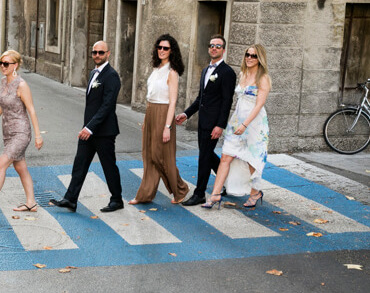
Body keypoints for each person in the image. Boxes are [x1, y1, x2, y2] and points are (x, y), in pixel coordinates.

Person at [50, 41, 124, 213]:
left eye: (100, 52)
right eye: (94, 52)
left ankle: (117, 199)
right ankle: (70, 199)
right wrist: (87, 127)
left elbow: (107, 106)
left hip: (104, 132)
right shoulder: (93, 73)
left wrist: (90, 127)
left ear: (108, 54)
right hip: (88, 130)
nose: (97, 55)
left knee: (109, 166)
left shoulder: (111, 76)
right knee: (80, 164)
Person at [0, 50, 43, 213]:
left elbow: (31, 110)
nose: (2, 66)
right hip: (7, 132)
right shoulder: (3, 81)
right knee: (21, 167)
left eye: (6, 64)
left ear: (15, 65)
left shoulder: (22, 85)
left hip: (21, 132)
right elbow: (2, 104)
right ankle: (31, 202)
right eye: (1, 63)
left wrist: (38, 135)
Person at [203, 44, 271, 209]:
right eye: (247, 54)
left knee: (251, 159)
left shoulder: (264, 78)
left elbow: (259, 104)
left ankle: (255, 192)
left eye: (253, 56)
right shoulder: (243, 73)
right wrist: (236, 123)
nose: (249, 58)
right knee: (226, 156)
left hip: (254, 123)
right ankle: (215, 195)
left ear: (259, 58)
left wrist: (245, 124)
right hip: (237, 120)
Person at [175, 34, 236, 206]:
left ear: (223, 50)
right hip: (203, 122)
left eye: (218, 46)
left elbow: (227, 102)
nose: (214, 48)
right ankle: (229, 181)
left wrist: (220, 125)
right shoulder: (205, 70)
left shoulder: (227, 73)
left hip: (213, 124)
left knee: (204, 157)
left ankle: (199, 193)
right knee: (208, 156)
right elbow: (200, 98)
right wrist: (186, 114)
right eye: (211, 45)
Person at [129, 34, 189, 205]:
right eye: (159, 47)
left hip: (164, 114)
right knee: (149, 155)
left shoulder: (172, 72)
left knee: (162, 156)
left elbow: (172, 102)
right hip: (151, 112)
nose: (162, 51)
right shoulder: (156, 69)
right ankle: (145, 195)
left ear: (172, 51)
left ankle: (180, 189)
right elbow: (151, 96)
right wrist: (146, 119)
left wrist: (167, 127)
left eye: (166, 48)